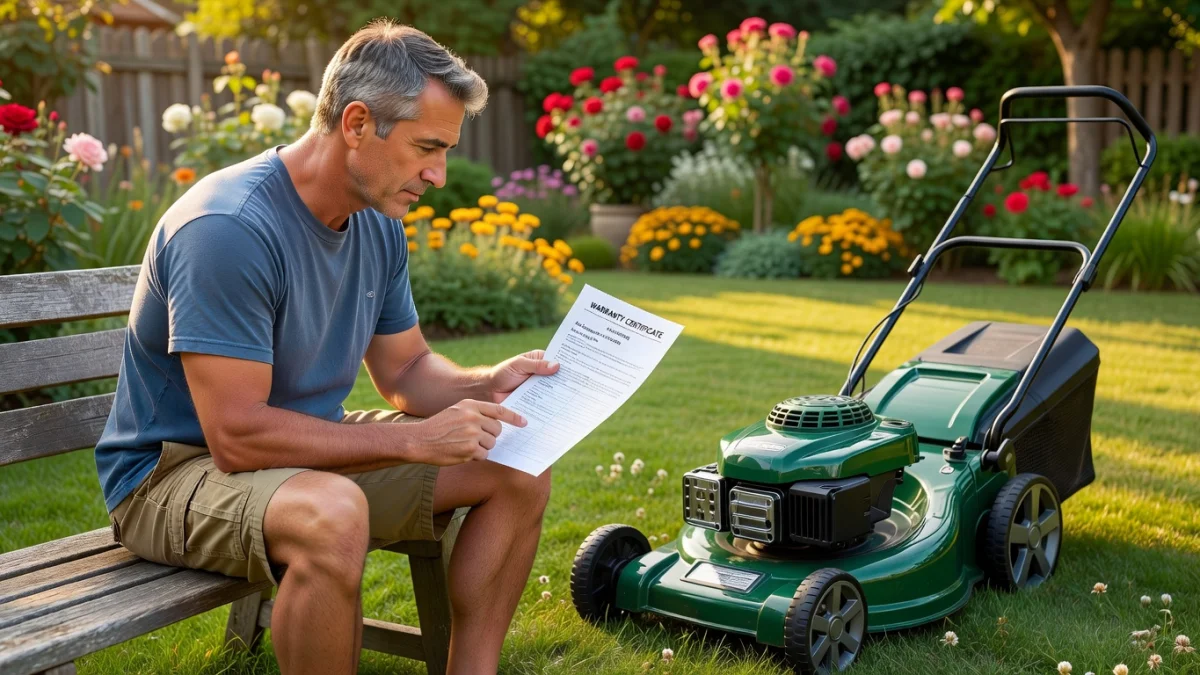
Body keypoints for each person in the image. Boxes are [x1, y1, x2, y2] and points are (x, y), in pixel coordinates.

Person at [93, 19, 556, 675]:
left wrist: (485, 383)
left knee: (519, 463)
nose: (439, 173)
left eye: (446, 150)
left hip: (300, 452)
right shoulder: (228, 228)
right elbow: (237, 437)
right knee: (332, 513)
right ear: (358, 123)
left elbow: (406, 369)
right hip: (172, 475)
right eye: (427, 147)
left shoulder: (375, 219)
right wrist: (414, 442)